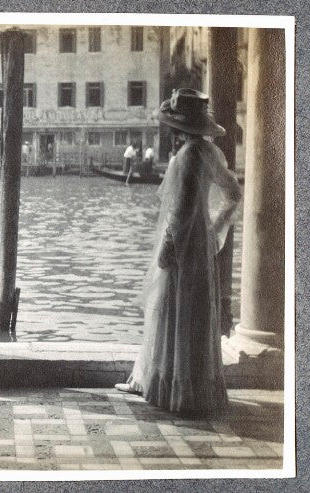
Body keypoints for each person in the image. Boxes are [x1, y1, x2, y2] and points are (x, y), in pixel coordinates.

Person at [115, 88, 242, 418]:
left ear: (178, 127)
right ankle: (192, 385)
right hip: (199, 239)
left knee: (170, 307)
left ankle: (167, 383)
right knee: (193, 311)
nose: (169, 129)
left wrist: (169, 248)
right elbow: (233, 192)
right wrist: (213, 228)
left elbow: (180, 209)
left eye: (171, 125)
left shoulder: (185, 157)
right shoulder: (209, 153)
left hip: (184, 241)